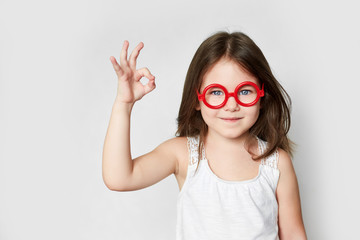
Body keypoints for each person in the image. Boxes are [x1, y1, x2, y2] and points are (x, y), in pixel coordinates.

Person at [102, 31, 307, 240]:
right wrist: (123, 105)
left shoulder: (276, 162)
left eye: (245, 91)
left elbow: (292, 234)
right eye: (216, 92)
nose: (231, 105)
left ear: (262, 96)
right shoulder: (181, 154)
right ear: (197, 99)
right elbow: (119, 178)